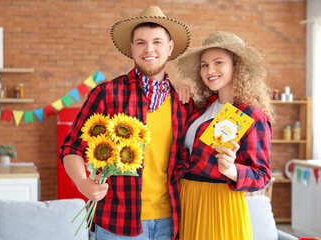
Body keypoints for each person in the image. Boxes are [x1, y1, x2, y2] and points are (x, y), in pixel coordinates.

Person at [59, 6, 193, 240]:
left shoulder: (183, 101)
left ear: (170, 47)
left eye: (157, 42)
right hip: (116, 222)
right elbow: (71, 147)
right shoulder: (106, 93)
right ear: (132, 48)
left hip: (172, 221)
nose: (149, 49)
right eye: (140, 42)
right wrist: (83, 183)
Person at [175, 31, 274, 240]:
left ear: (236, 67)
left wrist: (232, 170)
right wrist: (176, 89)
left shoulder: (251, 115)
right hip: (186, 197)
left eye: (218, 62)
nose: (209, 70)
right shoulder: (200, 108)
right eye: (204, 65)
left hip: (219, 203)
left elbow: (262, 175)